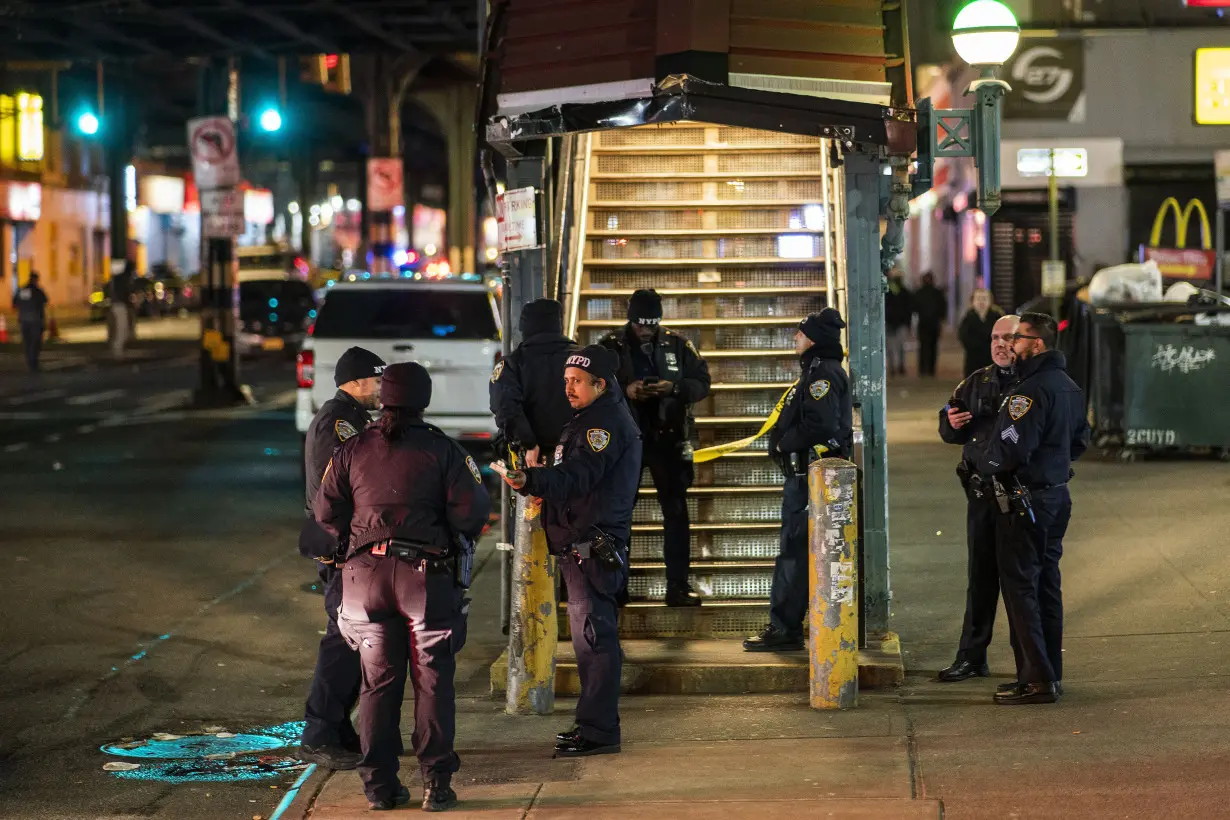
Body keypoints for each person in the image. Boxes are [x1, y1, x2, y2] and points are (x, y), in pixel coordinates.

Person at [316, 362, 491, 811]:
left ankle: (379, 787)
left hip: (363, 580)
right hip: (424, 580)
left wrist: (355, 540)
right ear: (424, 400)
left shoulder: (353, 448)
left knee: (377, 684)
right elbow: (471, 513)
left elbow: (325, 511)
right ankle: (436, 783)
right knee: (432, 681)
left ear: (384, 398)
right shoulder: (442, 450)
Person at [497, 345, 641, 757]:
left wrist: (533, 481)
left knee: (595, 642)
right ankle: (593, 725)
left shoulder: (604, 425)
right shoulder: (589, 419)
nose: (568, 388)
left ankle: (599, 731)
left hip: (593, 546)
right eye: (566, 381)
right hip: (580, 545)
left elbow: (579, 476)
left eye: (577, 382)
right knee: (588, 641)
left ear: (600, 384)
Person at [977, 312, 1089, 705]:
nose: (1011, 346)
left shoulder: (1028, 392)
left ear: (1037, 344)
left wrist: (985, 464)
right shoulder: (1070, 387)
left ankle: (1036, 679)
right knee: (1047, 586)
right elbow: (1080, 442)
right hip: (1057, 496)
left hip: (1025, 500)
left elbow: (1010, 448)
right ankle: (1049, 673)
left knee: (1021, 588)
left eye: (1018, 339)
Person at [297, 346, 387, 771]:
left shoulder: (351, 418)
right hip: (341, 549)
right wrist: (339, 548)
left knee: (355, 641)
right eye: (376, 380)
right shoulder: (339, 423)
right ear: (356, 381)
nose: (380, 388)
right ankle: (318, 732)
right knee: (342, 641)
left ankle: (338, 728)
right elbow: (335, 493)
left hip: (348, 546)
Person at [744, 308, 853, 652]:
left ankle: (785, 628)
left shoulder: (821, 374)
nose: (795, 338)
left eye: (800, 334)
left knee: (794, 553)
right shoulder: (817, 371)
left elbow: (820, 425)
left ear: (813, 340)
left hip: (811, 477)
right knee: (796, 552)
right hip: (809, 477)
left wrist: (783, 442)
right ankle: (788, 625)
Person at [599, 289, 710, 606]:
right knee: (618, 514)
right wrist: (625, 390)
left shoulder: (678, 344)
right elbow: (590, 385)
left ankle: (677, 586)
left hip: (668, 438)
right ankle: (616, 586)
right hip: (625, 441)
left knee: (676, 513)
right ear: (630, 319)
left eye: (652, 322)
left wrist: (673, 388)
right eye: (640, 323)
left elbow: (703, 382)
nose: (646, 329)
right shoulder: (610, 346)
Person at [936, 314, 1019, 683]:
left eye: (1009, 338)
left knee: (1020, 583)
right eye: (995, 338)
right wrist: (950, 424)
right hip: (981, 497)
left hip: (1018, 499)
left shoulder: (1032, 383)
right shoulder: (976, 381)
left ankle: (1030, 665)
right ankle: (971, 657)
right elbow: (950, 419)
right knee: (980, 579)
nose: (1001, 344)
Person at [490, 298, 578, 466]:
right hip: (579, 454)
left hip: (534, 458)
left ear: (525, 327)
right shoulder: (583, 359)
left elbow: (506, 407)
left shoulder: (512, 364)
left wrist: (528, 443)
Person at [958, 288, 1004, 378]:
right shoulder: (968, 318)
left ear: (990, 301)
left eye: (984, 299)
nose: (981, 302)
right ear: (973, 302)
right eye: (978, 299)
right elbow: (963, 336)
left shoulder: (996, 317)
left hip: (992, 356)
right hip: (973, 357)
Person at [913, 272, 947, 377]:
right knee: (932, 347)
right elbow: (943, 308)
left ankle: (923, 369)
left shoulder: (919, 293)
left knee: (923, 347)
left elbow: (914, 308)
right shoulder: (937, 293)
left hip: (923, 324)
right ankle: (931, 370)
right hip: (933, 324)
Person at [15, 272, 48, 372]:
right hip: (35, 321)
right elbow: (45, 300)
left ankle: (30, 361)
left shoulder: (23, 290)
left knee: (27, 342)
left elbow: (15, 302)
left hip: (24, 320)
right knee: (35, 342)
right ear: (36, 280)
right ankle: (34, 362)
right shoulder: (37, 291)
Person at [884, 273, 913, 377]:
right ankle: (899, 366)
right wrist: (908, 324)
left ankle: (893, 367)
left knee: (891, 347)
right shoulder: (905, 292)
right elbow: (909, 310)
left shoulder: (887, 292)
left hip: (891, 323)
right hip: (900, 323)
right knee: (900, 347)